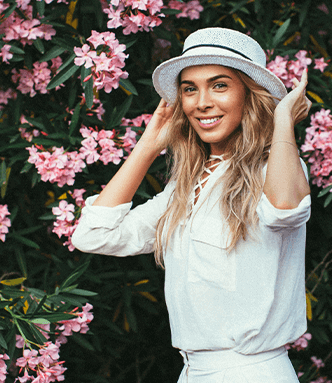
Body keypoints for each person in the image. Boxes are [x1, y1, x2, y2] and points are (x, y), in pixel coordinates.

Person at [72, 27, 312, 383]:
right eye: (189, 89)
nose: (201, 102)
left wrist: (281, 121)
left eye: (219, 85)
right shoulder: (184, 187)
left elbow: (285, 209)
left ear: (250, 95)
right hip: (193, 372)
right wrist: (149, 146)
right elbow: (93, 235)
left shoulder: (273, 167)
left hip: (252, 371)